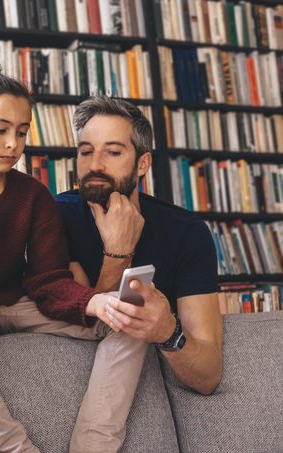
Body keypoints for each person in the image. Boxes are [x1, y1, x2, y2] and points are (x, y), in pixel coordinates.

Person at [0, 62, 148, 453]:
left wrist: (96, 301)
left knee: (133, 316)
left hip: (23, 305)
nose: (13, 144)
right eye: (0, 130)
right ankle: (8, 447)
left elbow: (48, 281)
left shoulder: (34, 195)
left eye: (21, 132)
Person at [52, 96, 223, 396]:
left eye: (113, 152)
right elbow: (86, 331)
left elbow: (208, 376)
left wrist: (168, 331)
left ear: (142, 163)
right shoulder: (53, 216)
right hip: (62, 384)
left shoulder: (187, 233)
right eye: (85, 152)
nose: (95, 165)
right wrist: (118, 253)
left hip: (138, 387)